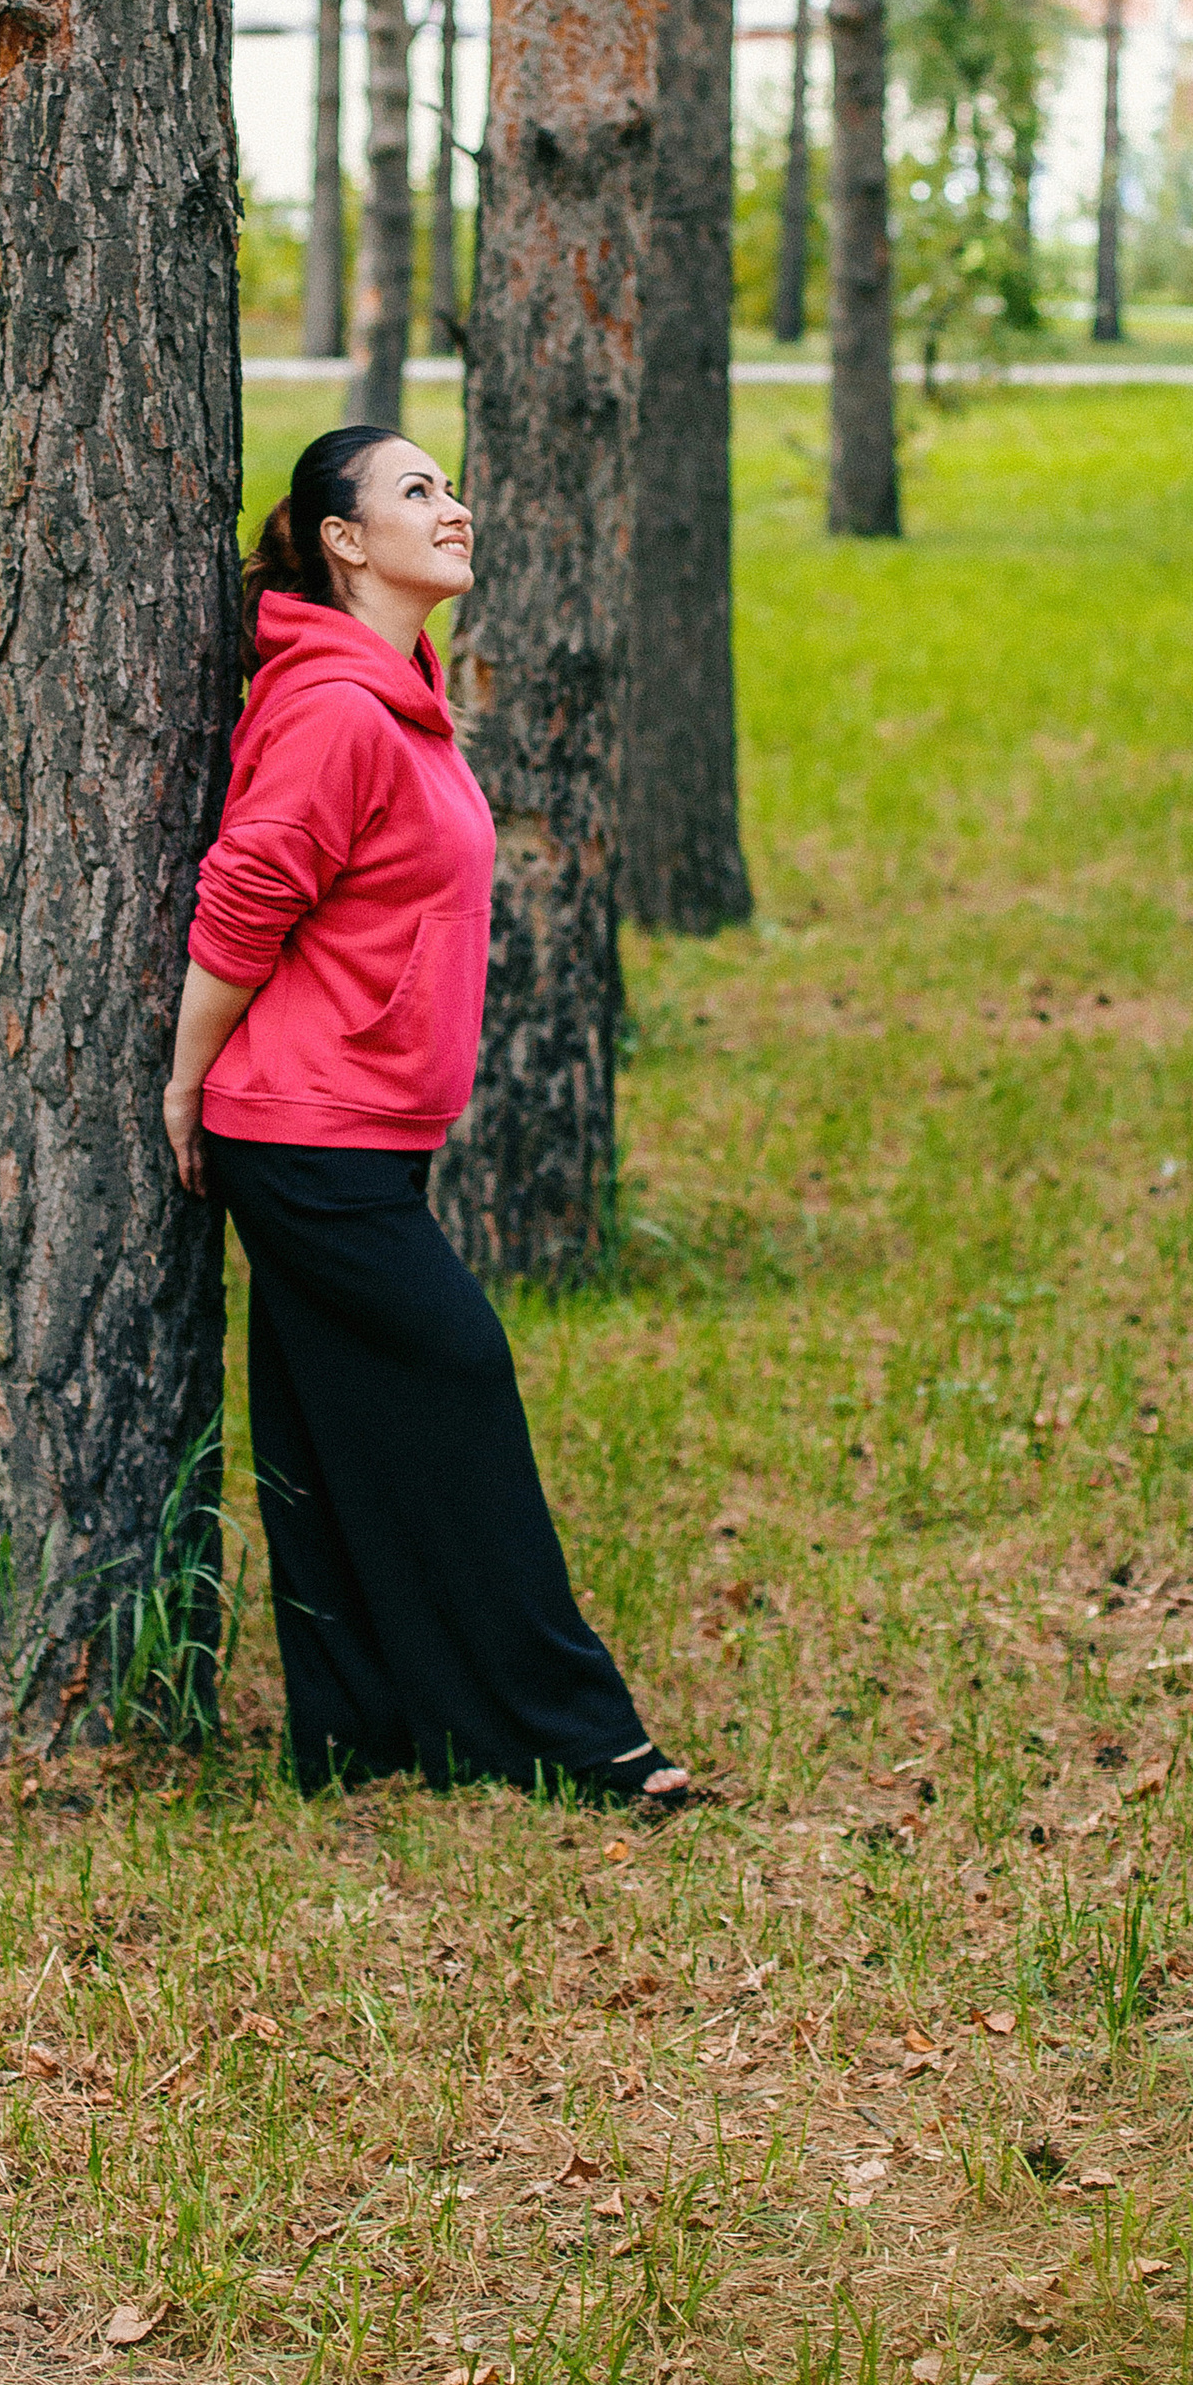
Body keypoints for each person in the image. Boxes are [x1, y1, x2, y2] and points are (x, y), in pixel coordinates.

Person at [163, 423, 688, 1812]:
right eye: (415, 492)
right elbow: (247, 894)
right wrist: (183, 1078)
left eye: (447, 485)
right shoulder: (340, 706)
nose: (451, 507)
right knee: (458, 1382)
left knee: (328, 1426)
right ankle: (575, 1733)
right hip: (302, 1124)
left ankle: (360, 1728)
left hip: (357, 1120)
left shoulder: (395, 688)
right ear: (343, 540)